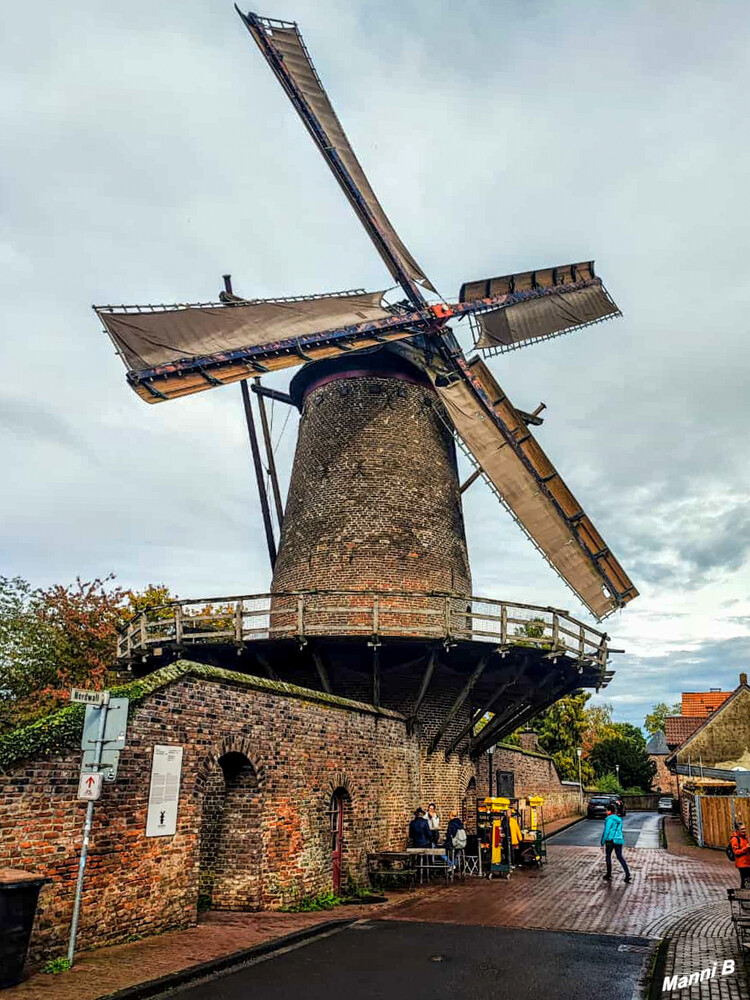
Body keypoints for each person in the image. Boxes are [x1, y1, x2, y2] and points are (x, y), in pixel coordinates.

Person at [601, 803, 631, 883]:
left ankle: (609, 874)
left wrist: (602, 841)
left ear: (610, 811)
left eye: (607, 810)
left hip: (610, 840)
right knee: (620, 857)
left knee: (608, 856)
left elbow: (606, 831)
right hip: (619, 840)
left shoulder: (609, 819)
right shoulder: (619, 819)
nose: (606, 812)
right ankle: (627, 874)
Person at [730, 822, 750, 888]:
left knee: (747, 880)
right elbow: (736, 852)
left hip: (748, 862)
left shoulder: (745, 838)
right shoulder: (735, 839)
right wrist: (746, 848)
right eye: (742, 829)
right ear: (737, 830)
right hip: (742, 864)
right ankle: (743, 895)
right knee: (745, 880)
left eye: (744, 829)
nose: (744, 831)